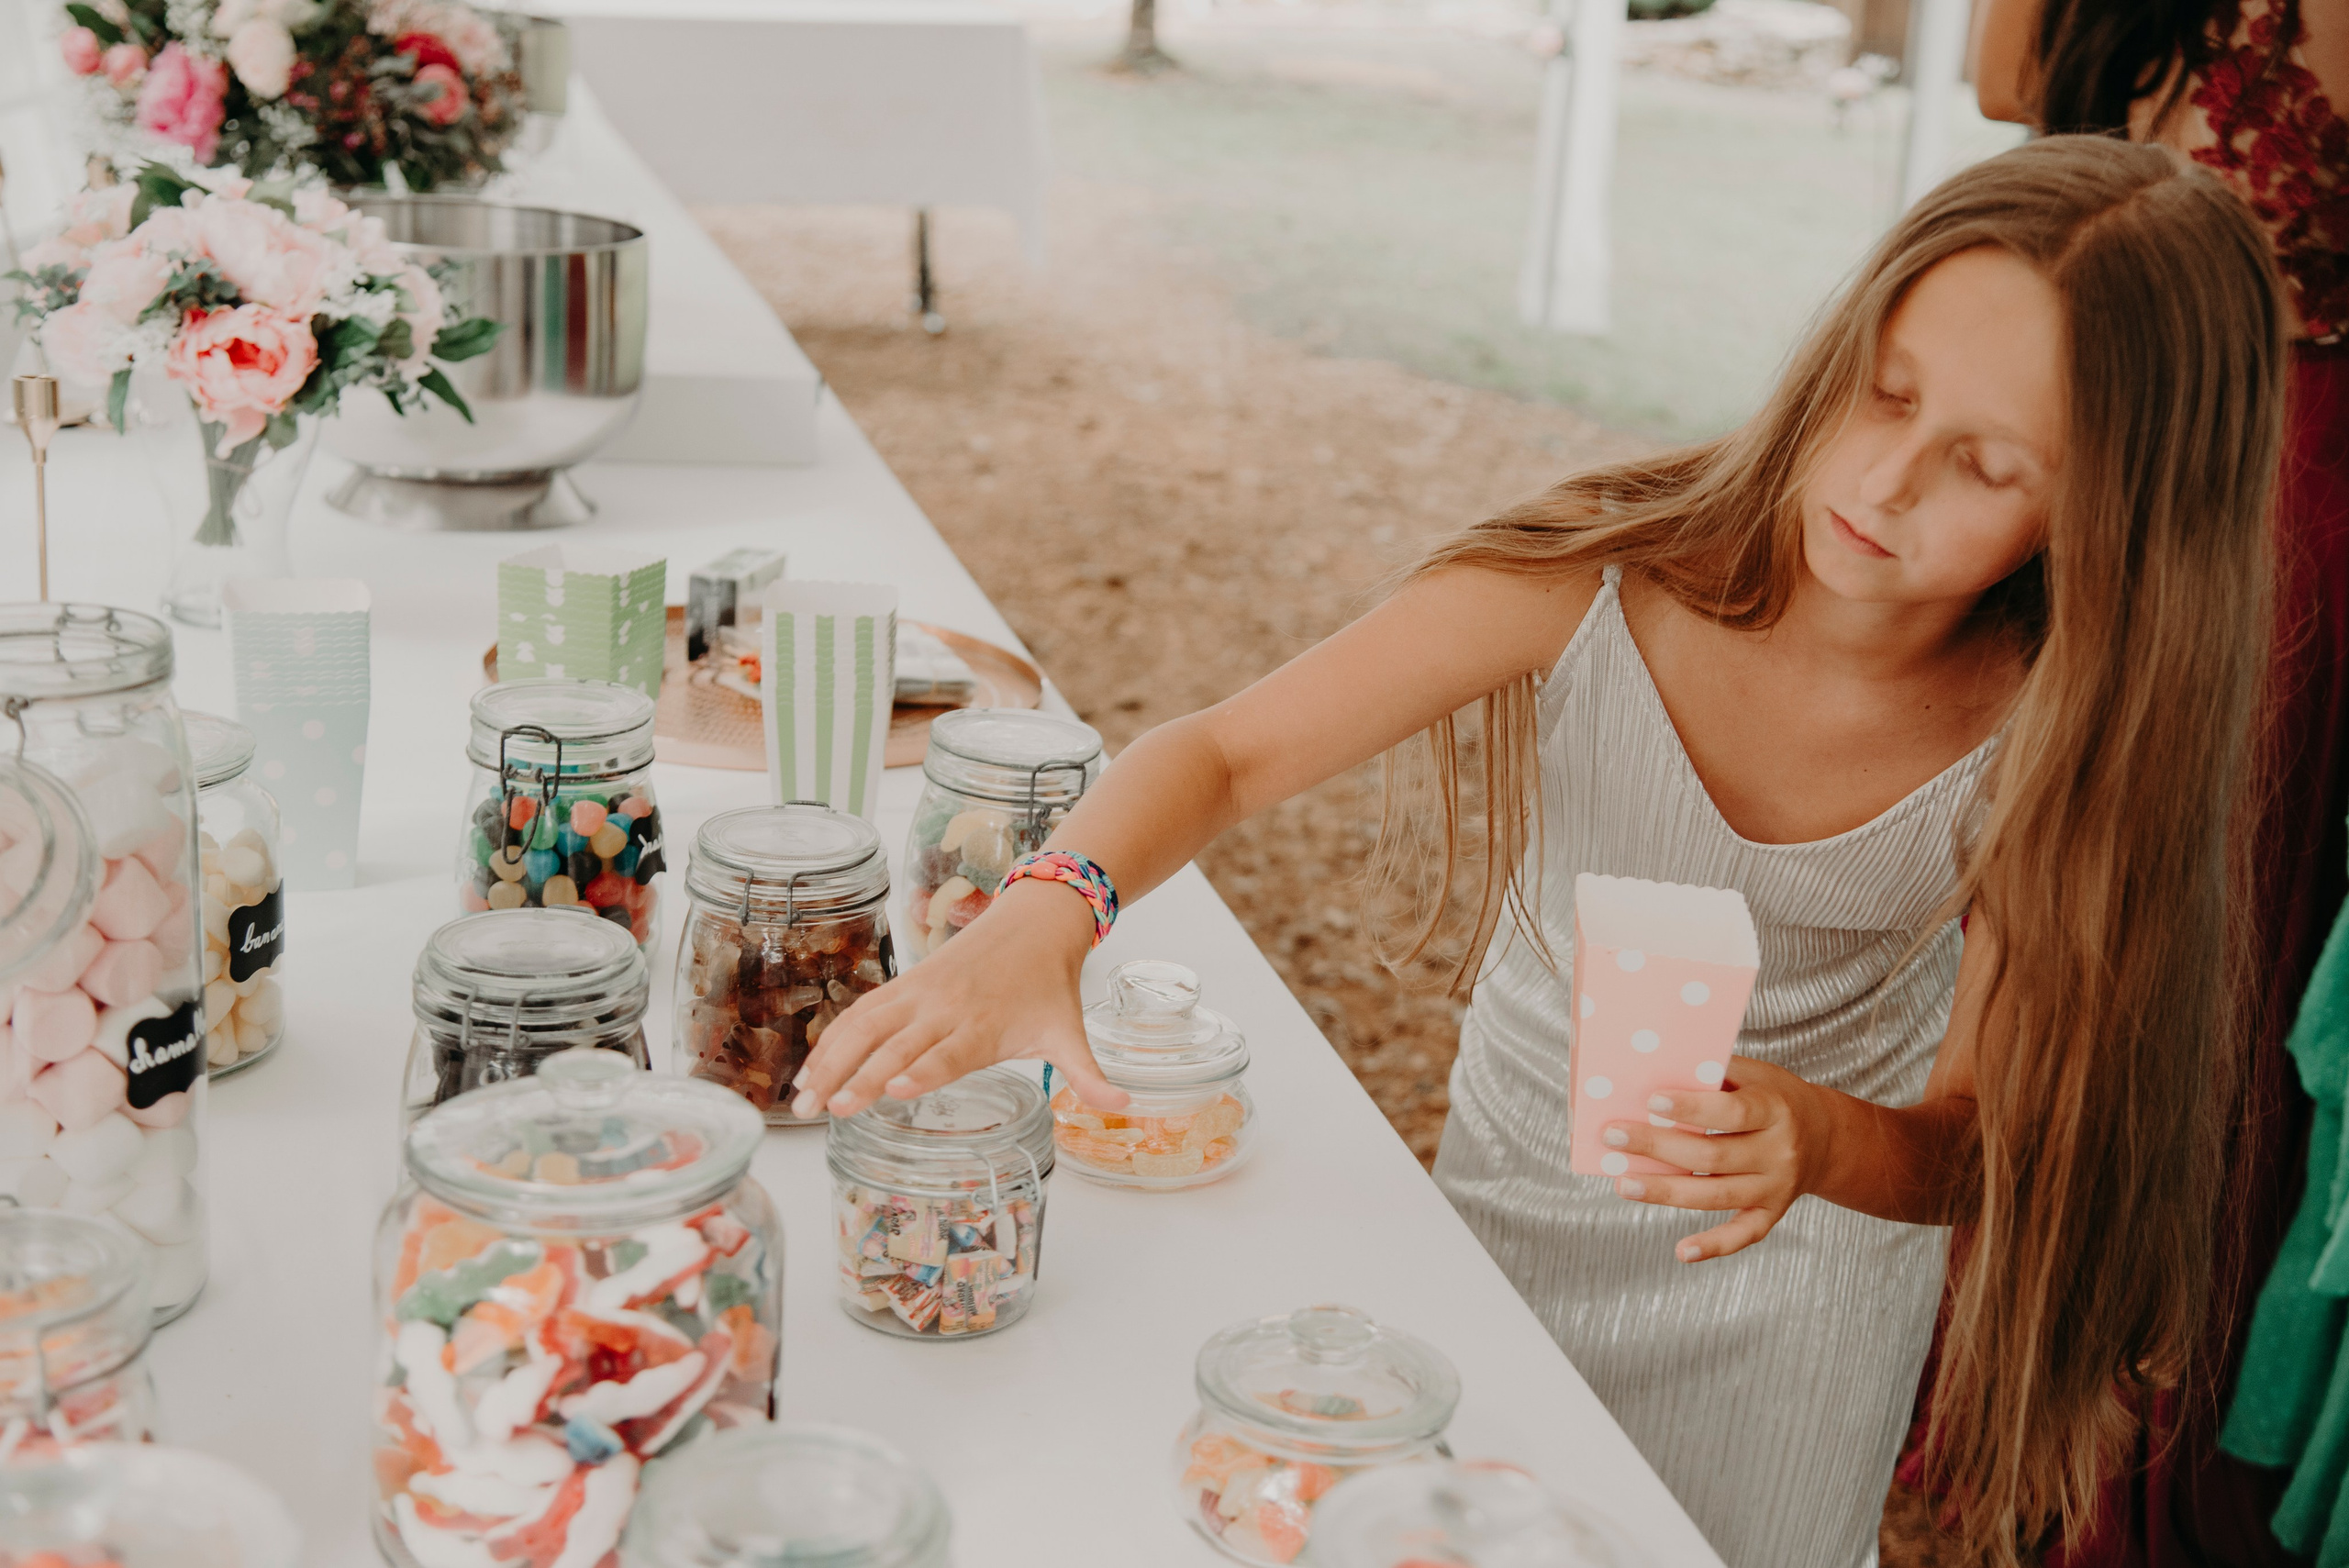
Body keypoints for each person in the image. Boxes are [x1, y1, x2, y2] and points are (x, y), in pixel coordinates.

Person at [799, 139, 2290, 1568]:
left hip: (1796, 1296)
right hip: (1503, 1214)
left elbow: (1979, 1127)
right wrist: (1047, 912)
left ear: (2108, 513)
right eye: (1885, 393)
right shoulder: (1606, 577)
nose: (1889, 481)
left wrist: (1828, 1139)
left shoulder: (2051, 736)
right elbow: (1228, 751)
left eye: (1985, 464)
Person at [1964, 6, 2348, 1564]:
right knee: (2039, 885)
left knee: (2216, 940)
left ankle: (2138, 1382)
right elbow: (2008, 84)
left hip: (2295, 497)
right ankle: (2005, 1333)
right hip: (2124, 425)